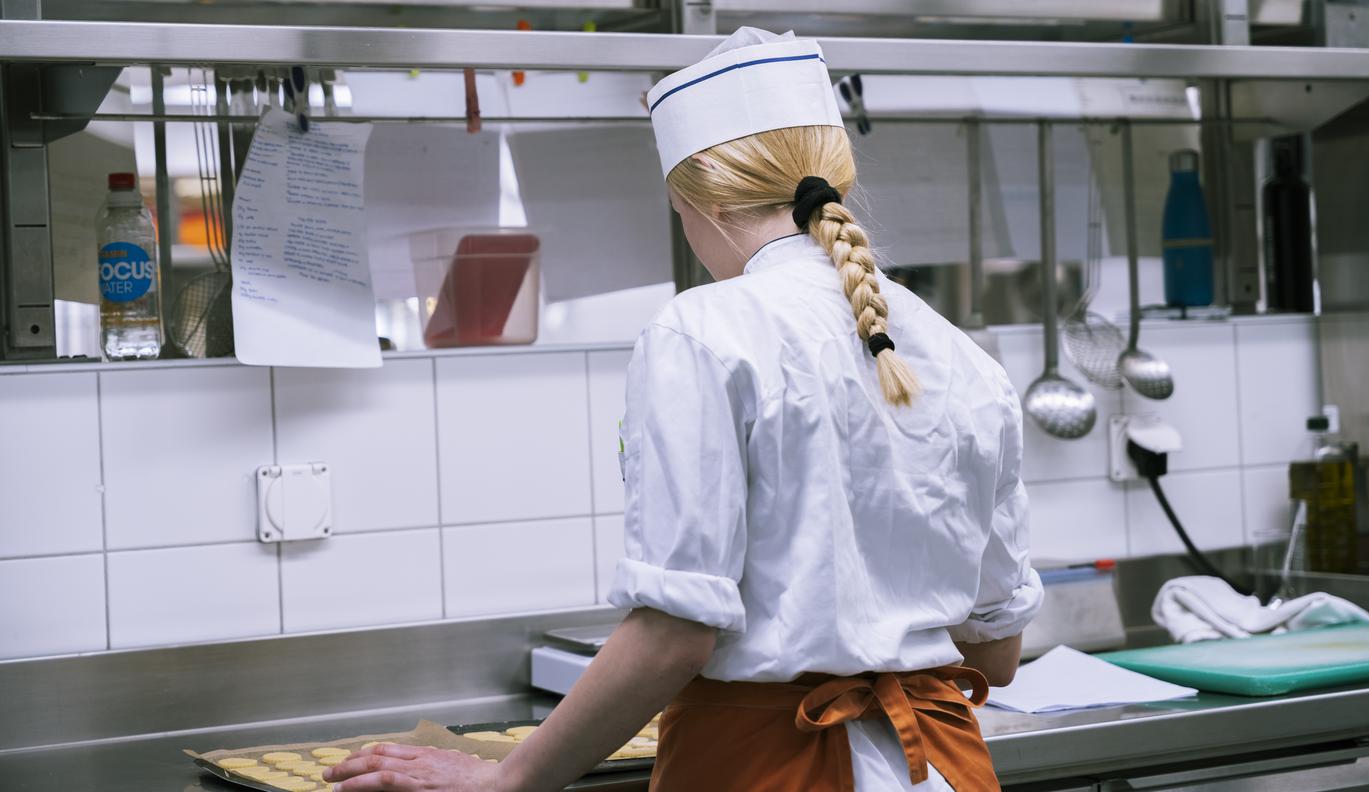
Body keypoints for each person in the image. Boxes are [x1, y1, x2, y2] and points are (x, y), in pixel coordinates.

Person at [325, 27, 1041, 792]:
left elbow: (674, 636)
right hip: (942, 767)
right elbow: (995, 652)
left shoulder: (701, 332)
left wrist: (505, 781)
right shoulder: (964, 358)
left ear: (695, 187)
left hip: (771, 769)